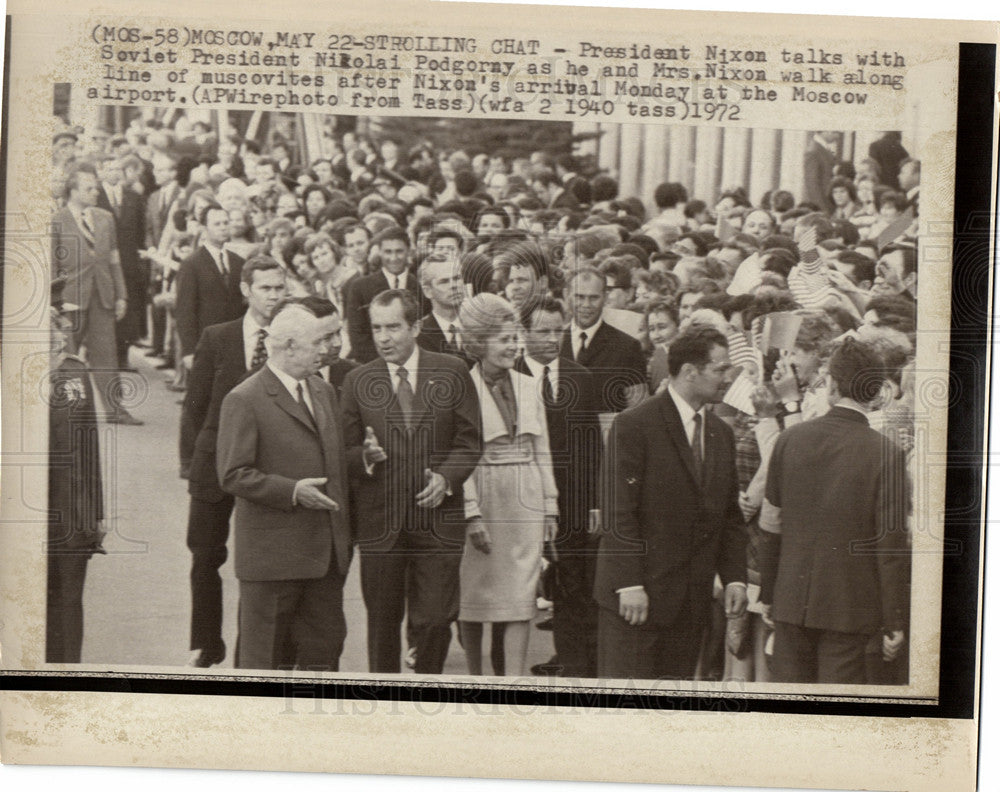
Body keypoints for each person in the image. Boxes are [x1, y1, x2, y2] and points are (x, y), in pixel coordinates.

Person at [594, 325, 748, 680]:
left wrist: (735, 578)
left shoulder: (721, 433)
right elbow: (618, 511)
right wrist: (629, 584)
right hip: (636, 601)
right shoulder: (635, 425)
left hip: (689, 606)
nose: (728, 377)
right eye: (720, 369)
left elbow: (728, 516)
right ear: (690, 372)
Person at [340, 289, 481, 674]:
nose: (383, 338)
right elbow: (345, 451)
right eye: (376, 329)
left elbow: (470, 441)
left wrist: (447, 479)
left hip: (437, 521)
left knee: (436, 618)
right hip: (381, 521)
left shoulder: (451, 371)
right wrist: (364, 458)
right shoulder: (357, 380)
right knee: (382, 623)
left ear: (416, 326)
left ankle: (426, 686)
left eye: (393, 327)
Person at [758, 337, 910, 684]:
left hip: (789, 601)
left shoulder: (788, 439)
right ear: (874, 392)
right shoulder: (886, 453)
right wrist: (894, 621)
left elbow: (771, 525)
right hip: (850, 609)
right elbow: (891, 547)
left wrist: (769, 594)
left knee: (790, 717)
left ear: (832, 385)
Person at [216, 304, 352, 671]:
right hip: (273, 564)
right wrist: (292, 491)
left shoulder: (323, 391)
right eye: (316, 343)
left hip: (324, 560)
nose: (325, 350)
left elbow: (329, 462)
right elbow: (232, 473)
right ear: (289, 346)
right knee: (265, 666)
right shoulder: (245, 398)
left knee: (323, 660)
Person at [182, 256, 287, 667]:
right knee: (206, 555)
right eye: (266, 288)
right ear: (246, 289)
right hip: (214, 466)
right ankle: (207, 642)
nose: (274, 296)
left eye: (280, 288)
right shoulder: (217, 337)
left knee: (259, 561)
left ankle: (253, 648)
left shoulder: (287, 339)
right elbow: (195, 406)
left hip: (266, 470)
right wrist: (204, 457)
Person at [458, 294, 559, 677]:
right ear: (478, 342)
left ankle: (514, 680)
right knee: (473, 594)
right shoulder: (461, 386)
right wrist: (470, 513)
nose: (512, 346)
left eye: (515, 337)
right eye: (502, 338)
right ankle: (475, 678)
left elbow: (543, 447)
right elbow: (459, 455)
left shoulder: (529, 385)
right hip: (484, 495)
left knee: (521, 594)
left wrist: (550, 504)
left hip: (526, 499)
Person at [516, 297, 603, 678]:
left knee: (573, 582)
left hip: (574, 500)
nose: (553, 339)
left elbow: (592, 447)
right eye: (543, 331)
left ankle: (573, 659)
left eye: (558, 331)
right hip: (522, 497)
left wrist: (597, 502)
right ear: (523, 333)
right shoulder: (508, 374)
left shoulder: (579, 377)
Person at [50, 164, 141, 425]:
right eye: (89, 188)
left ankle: (115, 409)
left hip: (102, 296)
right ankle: (66, 409)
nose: (96, 191)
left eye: (96, 186)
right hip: (69, 300)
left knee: (106, 354)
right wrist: (56, 303)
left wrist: (121, 295)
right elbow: (52, 266)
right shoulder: (57, 221)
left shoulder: (105, 218)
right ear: (73, 190)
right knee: (67, 355)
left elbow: (114, 260)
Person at [47, 298, 107, 663]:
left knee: (70, 600)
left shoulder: (76, 374)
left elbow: (90, 448)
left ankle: (68, 677)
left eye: (60, 328)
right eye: (54, 327)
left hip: (73, 510)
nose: (60, 336)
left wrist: (96, 513)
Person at [560, 268, 646, 414]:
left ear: (605, 298)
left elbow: (639, 409)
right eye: (579, 297)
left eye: (594, 298)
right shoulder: (554, 343)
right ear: (566, 296)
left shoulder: (627, 347)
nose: (586, 305)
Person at [344, 226, 419, 363]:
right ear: (379, 252)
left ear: (408, 251)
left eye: (399, 251)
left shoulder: (419, 286)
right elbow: (358, 339)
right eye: (388, 252)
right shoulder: (360, 287)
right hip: (377, 367)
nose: (393, 258)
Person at [416, 253, 469, 363]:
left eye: (457, 278)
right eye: (444, 281)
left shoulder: (479, 326)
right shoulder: (418, 335)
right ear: (427, 291)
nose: (453, 285)